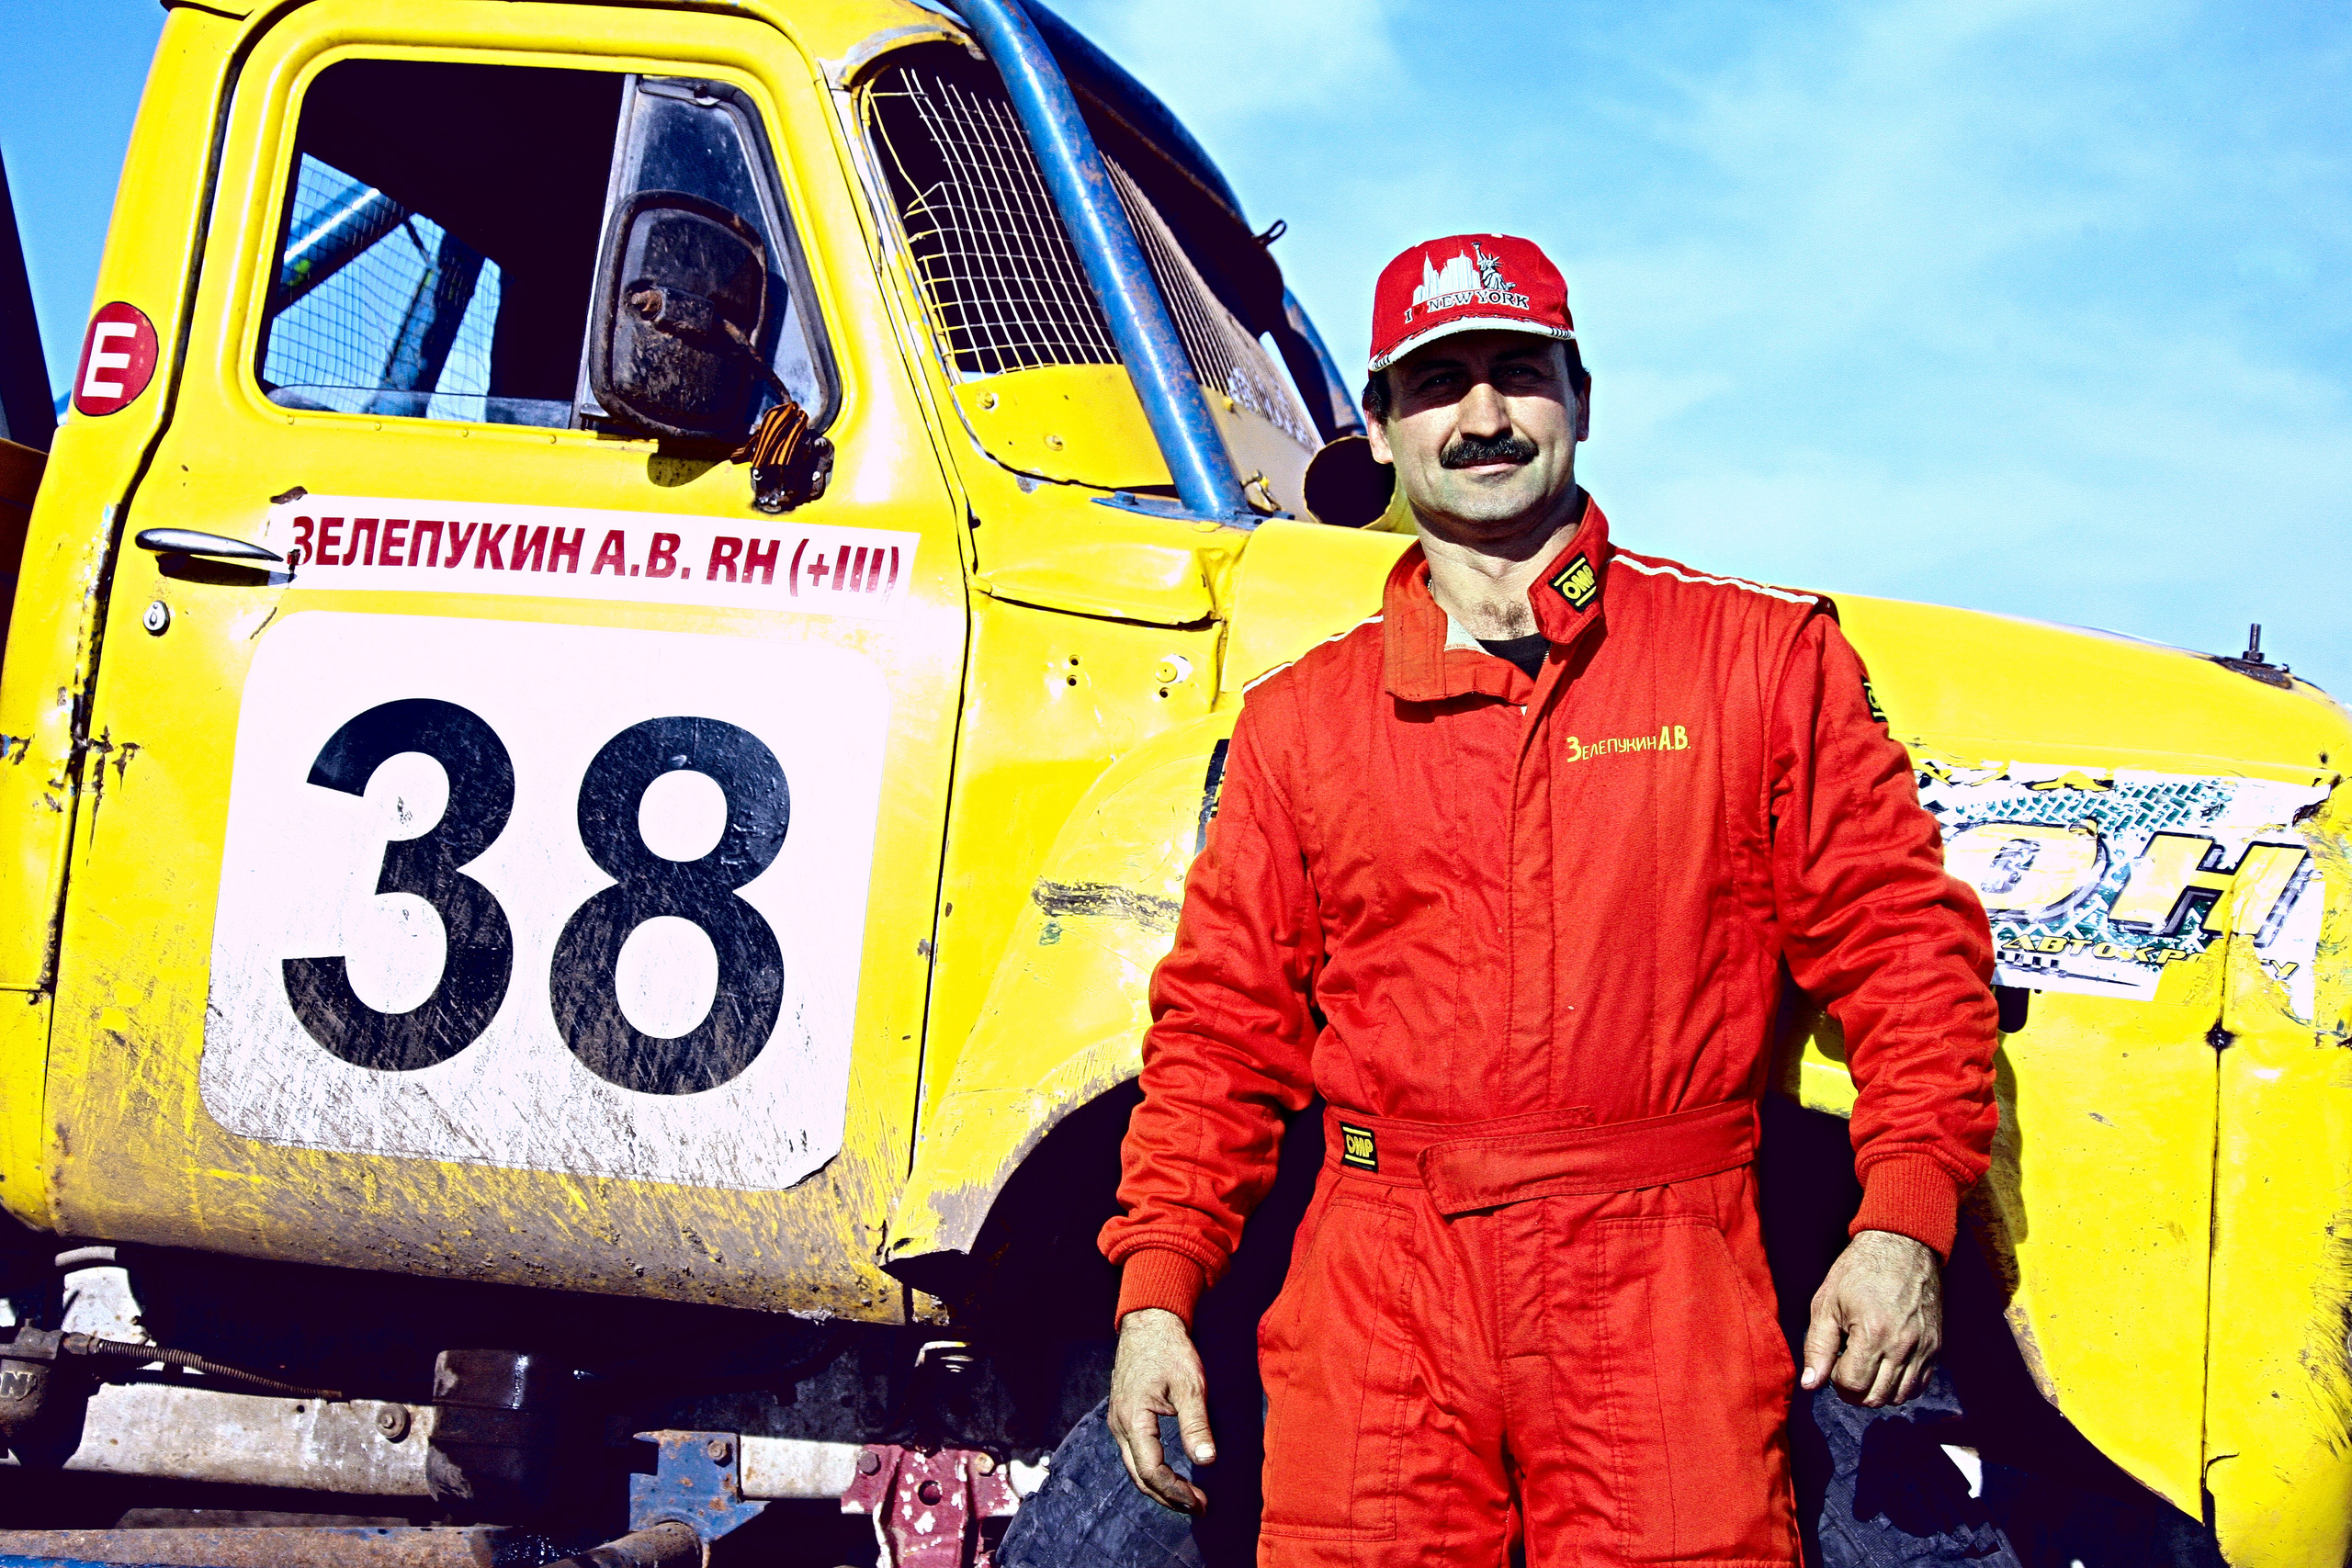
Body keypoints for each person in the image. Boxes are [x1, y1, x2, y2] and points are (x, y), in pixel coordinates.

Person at [1096, 233, 1999, 1565]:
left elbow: (1906, 955)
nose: (1480, 418)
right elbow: (1220, 1037)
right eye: (1437, 384)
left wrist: (1903, 1219)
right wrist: (1158, 1290)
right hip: (1380, 1304)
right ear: (1381, 423)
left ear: (1580, 400)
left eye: (1517, 375)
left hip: (1661, 1289)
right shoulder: (1303, 725)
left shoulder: (1755, 665)